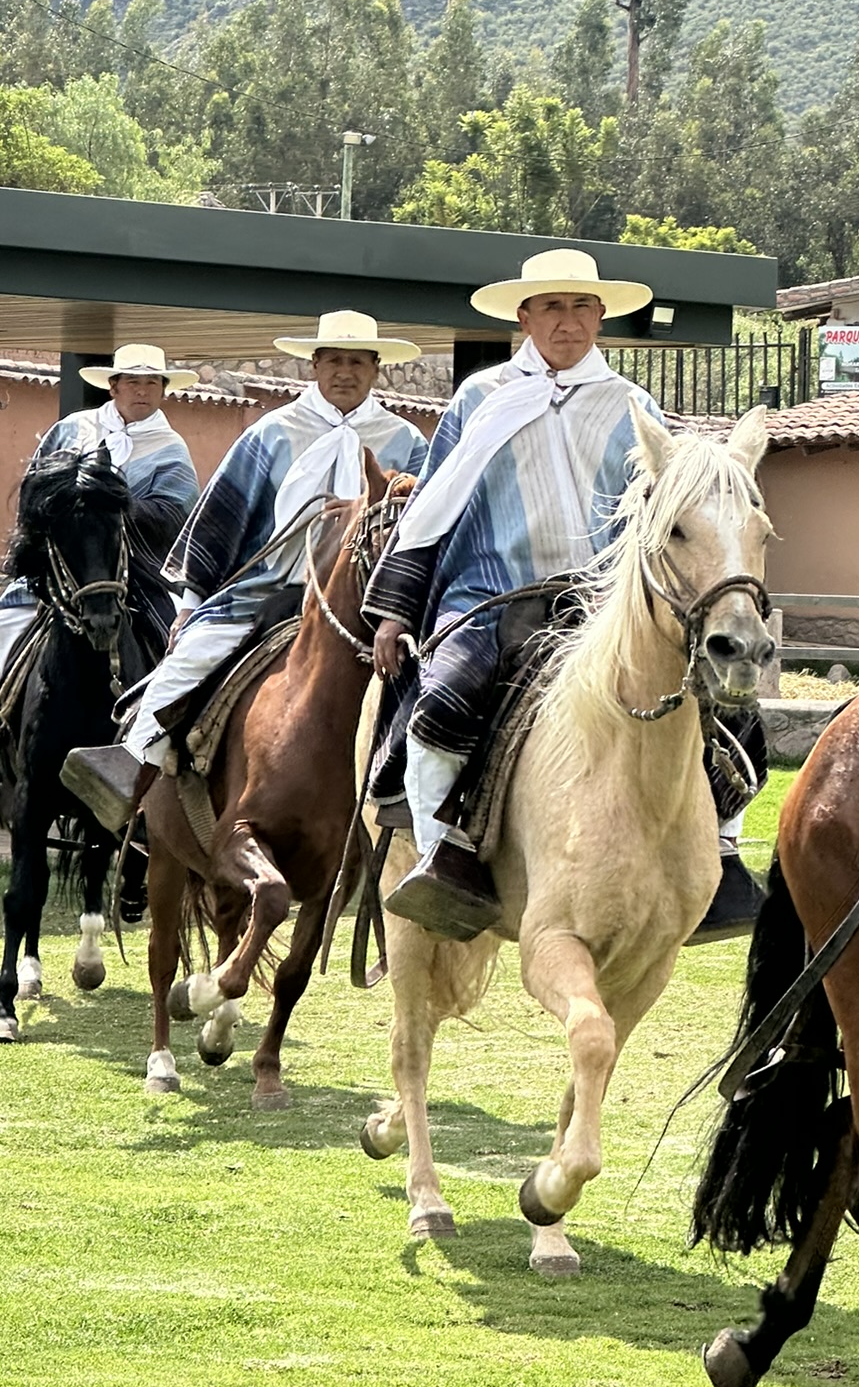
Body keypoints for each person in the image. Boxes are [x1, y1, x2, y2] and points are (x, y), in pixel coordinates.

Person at [365, 245, 766, 942]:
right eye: (551, 306)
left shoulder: (631, 406)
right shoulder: (480, 398)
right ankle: (441, 861)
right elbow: (431, 505)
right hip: (490, 595)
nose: (568, 320)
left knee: (737, 719)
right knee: (443, 702)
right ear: (523, 317)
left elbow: (661, 520)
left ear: (601, 316)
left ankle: (722, 856)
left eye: (582, 306)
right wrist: (397, 609)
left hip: (598, 606)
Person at [63, 310, 429, 833]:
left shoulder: (408, 441)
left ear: (375, 368)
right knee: (191, 657)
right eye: (333, 361)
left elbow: (425, 523)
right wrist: (189, 606)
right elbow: (219, 517)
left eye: (356, 362)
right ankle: (135, 762)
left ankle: (423, 802)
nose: (344, 372)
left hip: (370, 599)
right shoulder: (272, 433)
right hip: (270, 590)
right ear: (315, 366)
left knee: (433, 679)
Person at [0, 343, 201, 794]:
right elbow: (34, 493)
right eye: (133, 382)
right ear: (113, 386)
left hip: (135, 574)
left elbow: (177, 513)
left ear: (163, 390)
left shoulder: (171, 448)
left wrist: (114, 507)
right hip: (64, 570)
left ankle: (173, 746)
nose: (142, 390)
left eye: (152, 382)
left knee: (182, 639)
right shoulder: (72, 429)